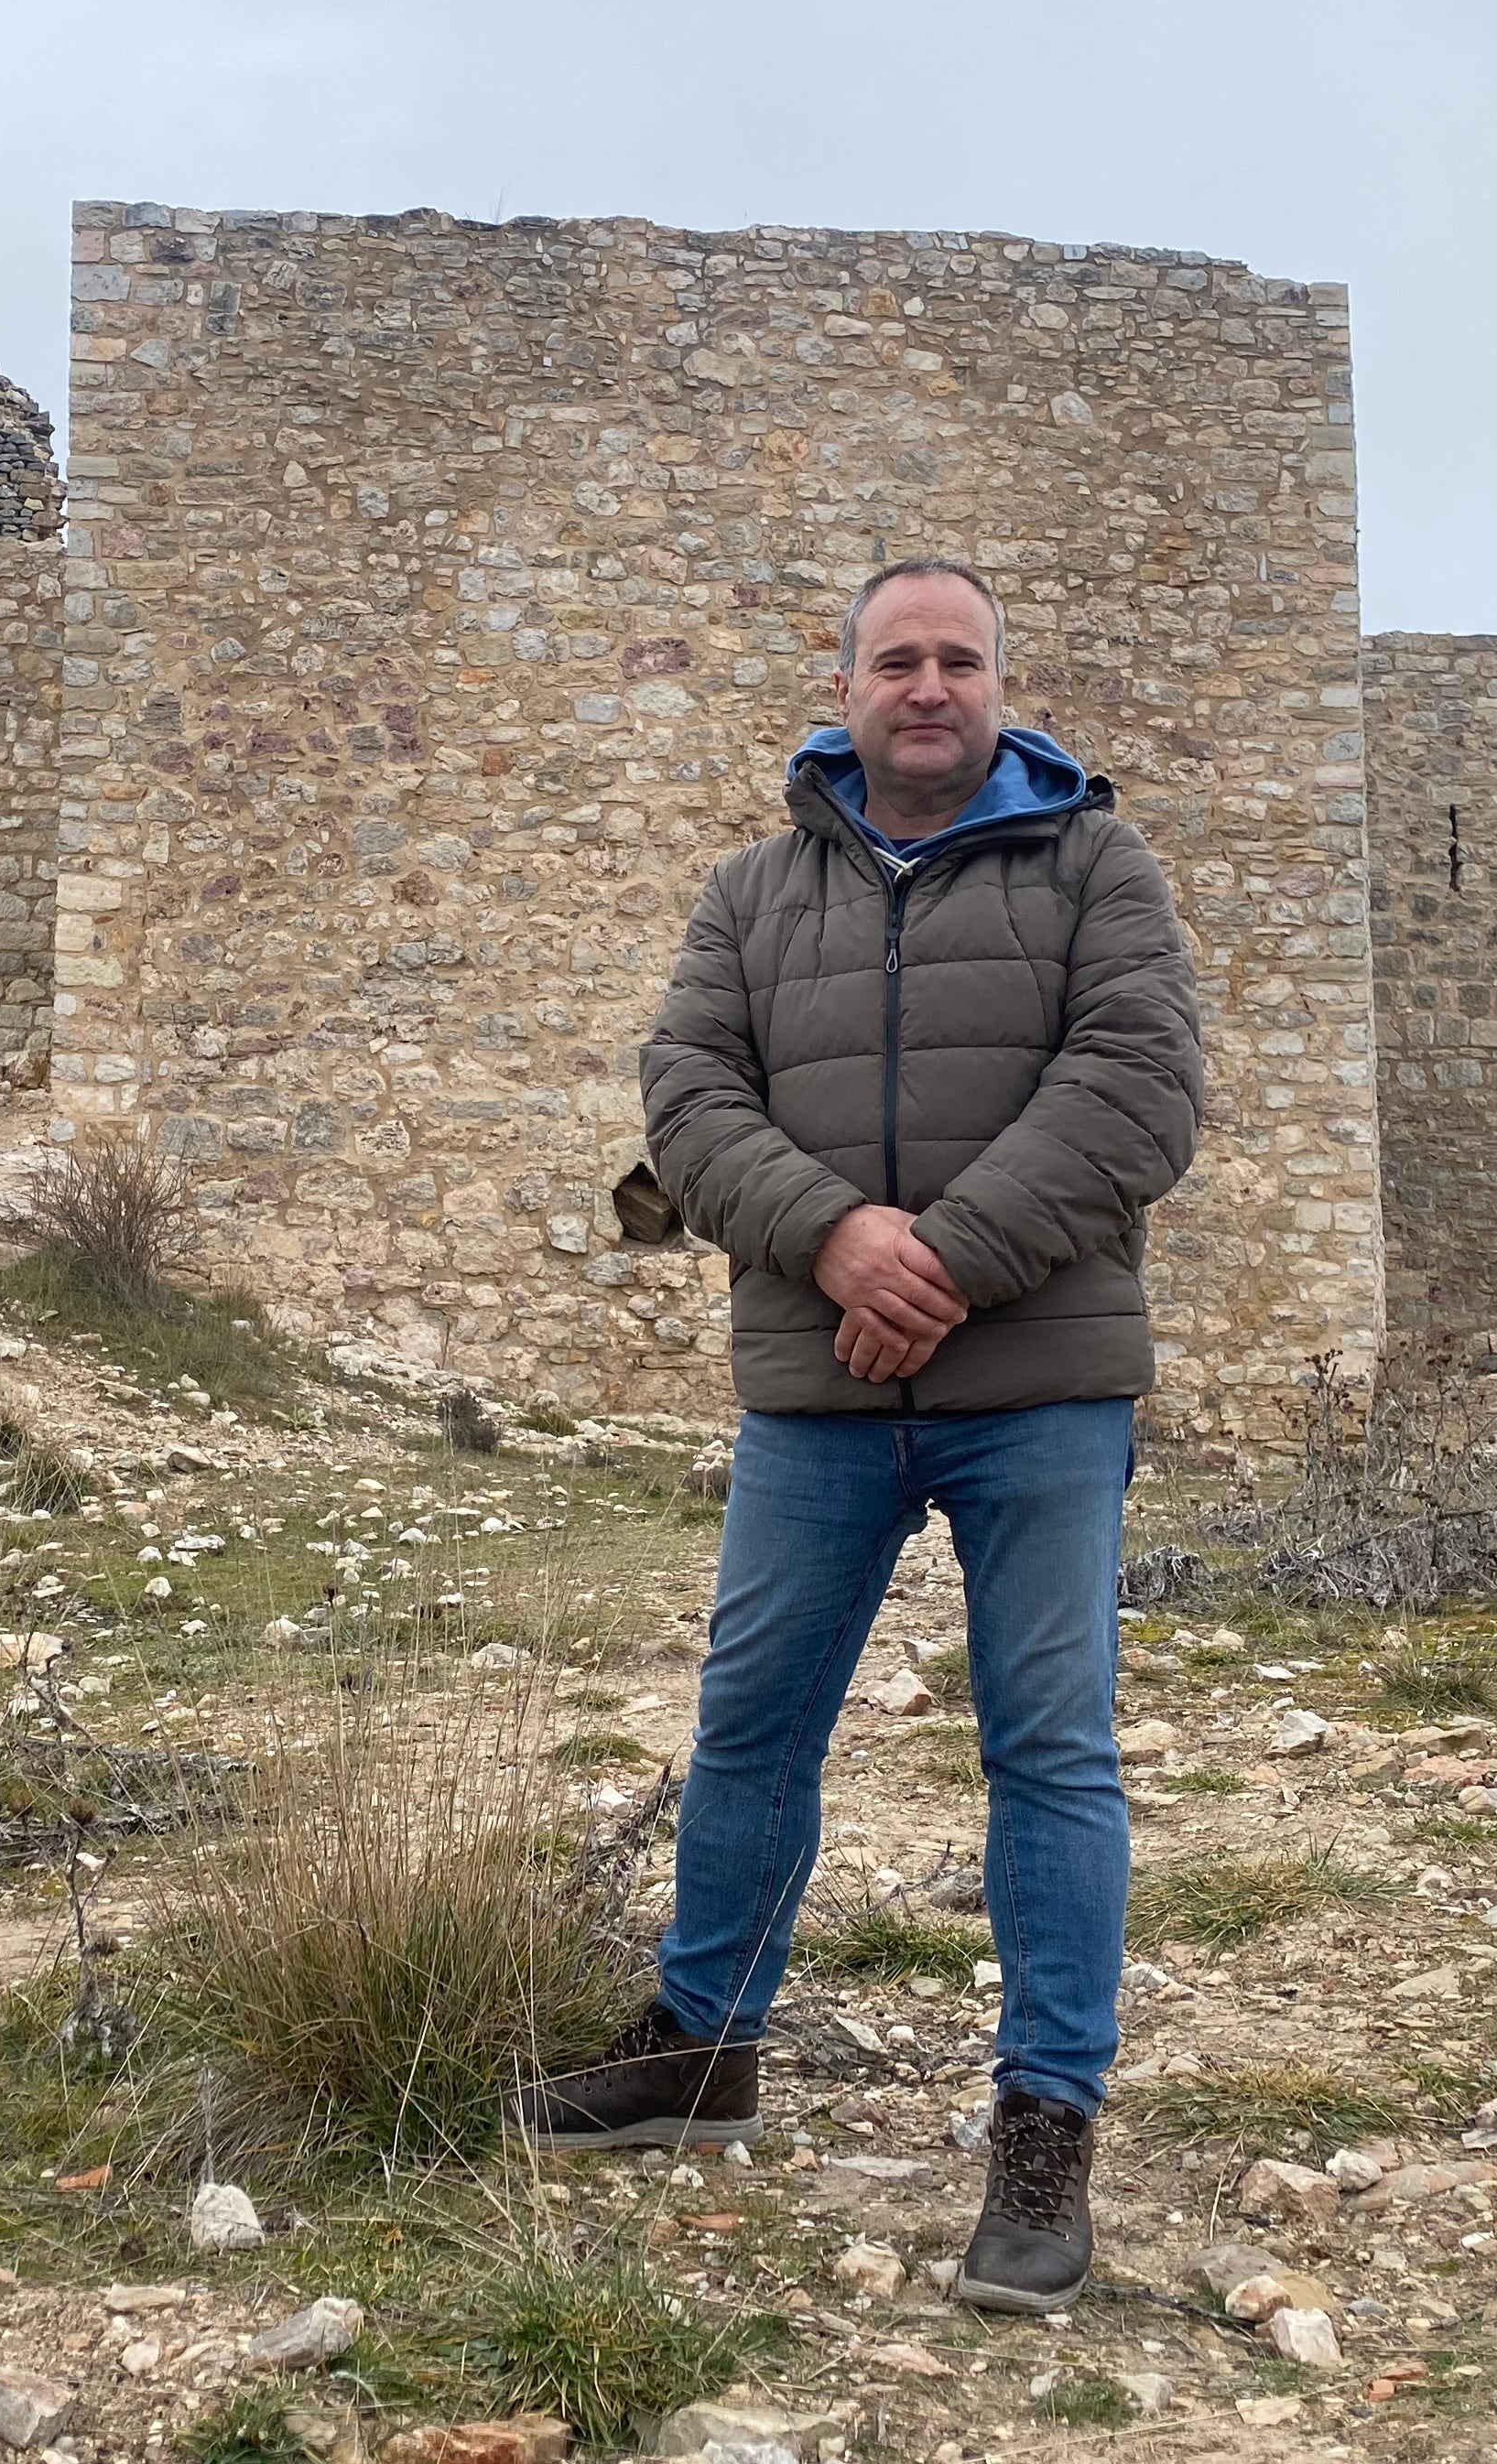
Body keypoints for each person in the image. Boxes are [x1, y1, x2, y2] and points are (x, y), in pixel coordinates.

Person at [506, 558, 1206, 2315]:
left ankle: (1046, 2133)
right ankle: (703, 2048)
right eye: (898, 658)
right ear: (848, 688)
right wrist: (833, 1238)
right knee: (751, 1726)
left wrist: (942, 1263)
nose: (929, 686)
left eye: (959, 660)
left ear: (998, 688)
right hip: (820, 1399)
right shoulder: (754, 893)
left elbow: (1138, 1090)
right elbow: (689, 1091)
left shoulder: (1098, 867)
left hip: (1039, 1390)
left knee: (1049, 1753)